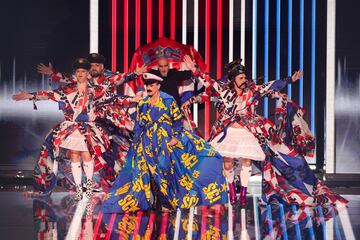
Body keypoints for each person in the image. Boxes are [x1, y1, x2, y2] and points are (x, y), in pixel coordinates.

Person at [183, 55, 348, 207]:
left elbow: (272, 85)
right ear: (233, 80)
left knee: (247, 161)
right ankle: (232, 189)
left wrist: (290, 79)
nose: (244, 80)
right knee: (228, 161)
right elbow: (208, 81)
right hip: (228, 131)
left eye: (245, 77)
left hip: (248, 131)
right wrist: (194, 70)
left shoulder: (252, 91)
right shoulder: (223, 91)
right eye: (241, 78)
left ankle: (243, 194)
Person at [12, 58, 140, 199]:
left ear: (87, 74)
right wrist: (30, 95)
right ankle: (79, 188)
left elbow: (113, 91)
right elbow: (49, 95)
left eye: (83, 71)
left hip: (89, 127)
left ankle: (90, 185)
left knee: (87, 155)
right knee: (74, 155)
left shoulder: (96, 90)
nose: (80, 74)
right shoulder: (68, 89)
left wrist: (133, 80)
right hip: (72, 128)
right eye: (78, 71)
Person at [101, 73, 228, 213]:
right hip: (147, 141)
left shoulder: (168, 100)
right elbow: (139, 123)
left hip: (165, 140)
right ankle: (155, 201)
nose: (149, 87)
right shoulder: (142, 102)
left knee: (165, 168)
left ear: (158, 86)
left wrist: (176, 137)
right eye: (147, 85)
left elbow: (177, 120)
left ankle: (167, 200)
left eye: (152, 85)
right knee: (147, 171)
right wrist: (136, 141)